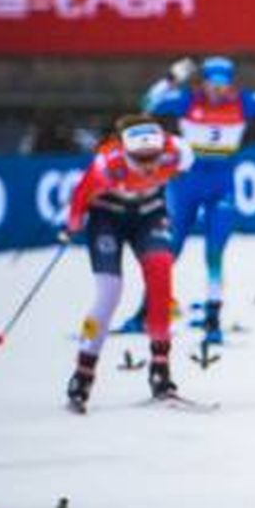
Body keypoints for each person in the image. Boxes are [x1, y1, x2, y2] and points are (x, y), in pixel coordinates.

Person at [143, 53, 255, 343]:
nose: (217, 89)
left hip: (221, 185)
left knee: (214, 252)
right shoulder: (188, 100)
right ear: (202, 82)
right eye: (212, 83)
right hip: (185, 183)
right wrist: (171, 76)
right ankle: (145, 311)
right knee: (170, 249)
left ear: (230, 84)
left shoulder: (243, 101)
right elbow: (148, 103)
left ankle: (212, 320)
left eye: (222, 83)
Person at [58, 114, 196, 410]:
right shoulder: (109, 164)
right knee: (109, 292)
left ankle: (160, 371)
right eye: (140, 157)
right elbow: (81, 195)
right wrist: (72, 223)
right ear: (124, 149)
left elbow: (185, 173)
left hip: (149, 215)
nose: (148, 164)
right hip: (107, 219)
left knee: (161, 275)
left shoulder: (177, 152)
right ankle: (83, 374)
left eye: (153, 156)